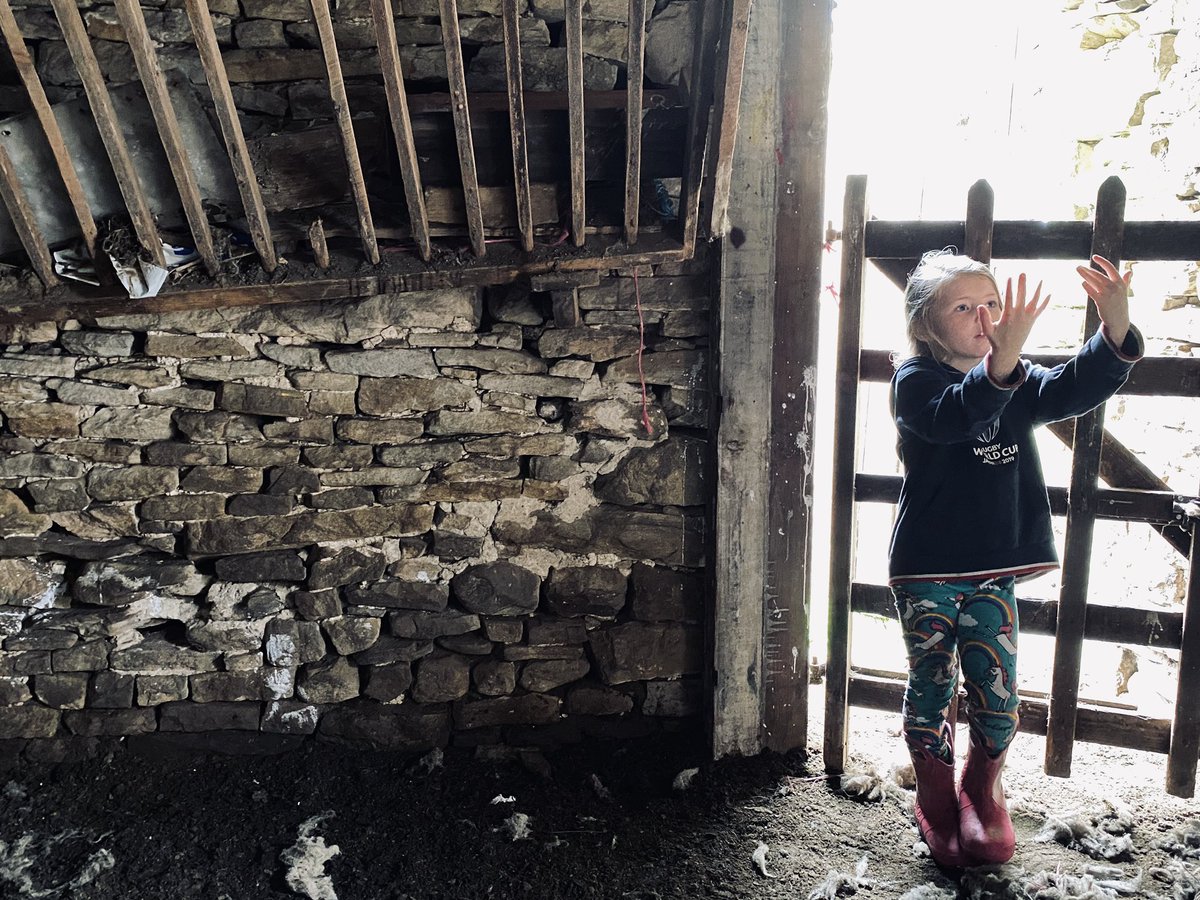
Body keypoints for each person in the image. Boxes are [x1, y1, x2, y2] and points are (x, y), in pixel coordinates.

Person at [888, 250, 1142, 867]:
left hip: (993, 569)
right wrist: (1004, 361)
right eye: (965, 307)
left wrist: (1114, 327)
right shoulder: (915, 383)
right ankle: (934, 789)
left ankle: (983, 785)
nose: (986, 317)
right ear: (926, 324)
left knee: (997, 690)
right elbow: (957, 417)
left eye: (993, 305)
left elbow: (1075, 388)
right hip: (928, 570)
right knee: (932, 681)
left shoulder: (1018, 379)